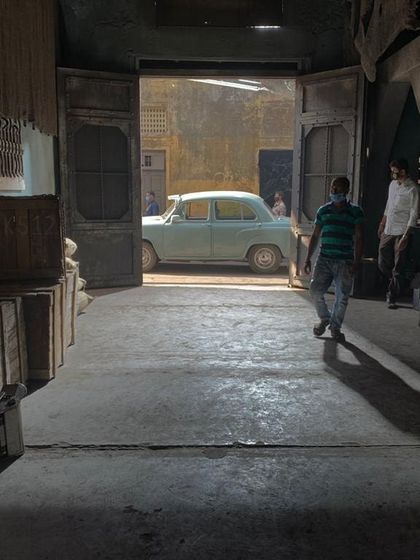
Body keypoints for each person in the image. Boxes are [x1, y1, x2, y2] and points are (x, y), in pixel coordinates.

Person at [304, 177, 364, 342]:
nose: (334, 191)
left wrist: (357, 261)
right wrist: (308, 258)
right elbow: (315, 235)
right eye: (333, 188)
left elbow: (360, 237)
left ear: (347, 191)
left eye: (338, 189)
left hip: (345, 261)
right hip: (324, 259)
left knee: (342, 297)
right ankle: (325, 318)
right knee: (315, 291)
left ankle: (335, 328)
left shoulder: (355, 212)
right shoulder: (323, 211)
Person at [377, 159, 419, 309]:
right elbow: (388, 206)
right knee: (382, 260)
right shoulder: (392, 185)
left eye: (394, 171)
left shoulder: (413, 189)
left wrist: (406, 236)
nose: (392, 173)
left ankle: (392, 295)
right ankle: (394, 282)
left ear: (402, 171)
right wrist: (382, 224)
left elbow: (413, 213)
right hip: (389, 228)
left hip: (402, 230)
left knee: (399, 264)